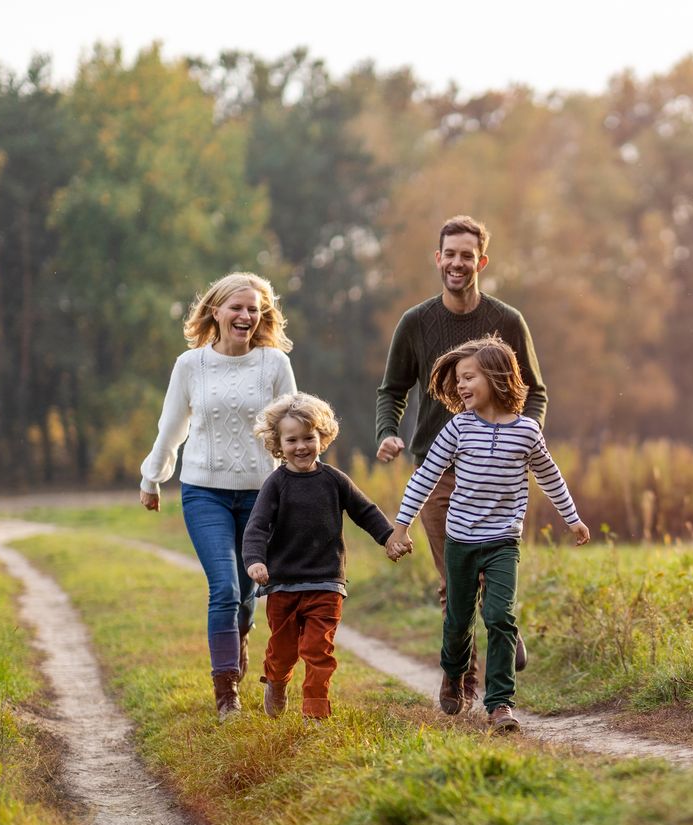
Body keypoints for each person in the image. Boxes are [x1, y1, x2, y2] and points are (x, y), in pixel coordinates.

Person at [376, 215, 544, 703]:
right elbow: (392, 390)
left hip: (498, 469)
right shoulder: (416, 322)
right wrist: (388, 433)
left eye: (466, 255)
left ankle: (501, 626)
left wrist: (522, 440)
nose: (457, 263)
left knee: (493, 569)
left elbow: (534, 392)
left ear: (481, 262)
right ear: (438, 258)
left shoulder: (508, 321)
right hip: (438, 468)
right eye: (449, 254)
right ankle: (460, 678)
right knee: (454, 579)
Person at [386, 336, 589, 733]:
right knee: (458, 622)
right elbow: (425, 477)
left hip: (503, 542)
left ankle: (500, 705)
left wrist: (573, 518)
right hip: (460, 540)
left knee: (500, 617)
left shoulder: (527, 432)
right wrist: (401, 525)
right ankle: (455, 673)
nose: (460, 386)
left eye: (468, 377)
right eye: (458, 380)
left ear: (496, 377)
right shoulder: (457, 429)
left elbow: (550, 476)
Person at [139, 272, 297, 721]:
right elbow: (172, 426)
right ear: (216, 311)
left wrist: (301, 485)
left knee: (247, 595)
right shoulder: (191, 365)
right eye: (237, 307)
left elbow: (293, 425)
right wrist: (153, 479)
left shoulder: (273, 364)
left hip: (260, 496)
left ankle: (239, 636)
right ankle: (226, 693)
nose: (246, 316)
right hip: (203, 491)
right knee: (224, 588)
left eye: (254, 309)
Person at [243, 392, 404, 721]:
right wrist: (255, 561)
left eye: (308, 438)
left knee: (318, 650)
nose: (301, 446)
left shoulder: (334, 480)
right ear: (278, 444)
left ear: (322, 437)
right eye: (292, 440)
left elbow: (365, 512)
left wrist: (389, 537)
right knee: (283, 650)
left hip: (327, 581)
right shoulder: (275, 484)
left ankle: (315, 710)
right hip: (283, 584)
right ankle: (276, 681)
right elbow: (256, 528)